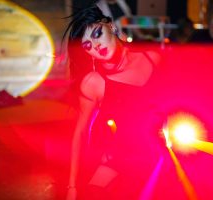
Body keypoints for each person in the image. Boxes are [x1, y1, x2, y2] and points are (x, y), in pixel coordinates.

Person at [64, 4, 164, 200]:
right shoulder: (94, 83)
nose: (96, 46)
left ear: (111, 26)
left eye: (97, 33)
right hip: (120, 160)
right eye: (87, 46)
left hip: (162, 158)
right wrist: (72, 187)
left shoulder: (153, 59)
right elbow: (80, 133)